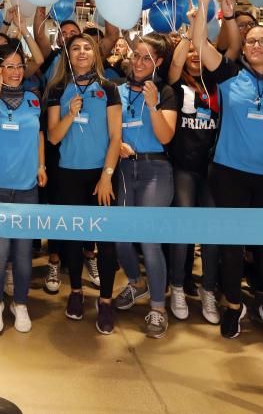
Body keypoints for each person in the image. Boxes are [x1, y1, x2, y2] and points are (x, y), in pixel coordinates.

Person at [190, 0, 263, 346]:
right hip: (229, 173)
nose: (254, 46)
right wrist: (206, 3)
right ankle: (234, 304)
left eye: (262, 41)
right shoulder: (228, 74)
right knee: (232, 245)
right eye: (249, 40)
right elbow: (199, 46)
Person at [44, 33, 122, 333]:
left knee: (106, 240)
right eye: (75, 48)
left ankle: (105, 301)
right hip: (68, 174)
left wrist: (107, 175)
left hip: (100, 176)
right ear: (68, 54)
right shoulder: (58, 88)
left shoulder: (108, 88)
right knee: (73, 240)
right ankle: (75, 292)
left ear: (95, 54)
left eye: (87, 47)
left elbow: (116, 137)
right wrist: (69, 114)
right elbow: (53, 137)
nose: (81, 52)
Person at [111, 34, 178, 339]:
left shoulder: (165, 92)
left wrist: (152, 106)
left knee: (150, 240)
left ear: (159, 62)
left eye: (146, 58)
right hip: (125, 167)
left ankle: (158, 307)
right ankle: (137, 282)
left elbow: (166, 137)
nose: (138, 63)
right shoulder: (117, 90)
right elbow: (110, 130)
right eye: (135, 56)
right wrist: (118, 144)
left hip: (155, 169)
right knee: (121, 237)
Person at [0, 42, 47, 334]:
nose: (16, 72)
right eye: (9, 66)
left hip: (27, 189)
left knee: (22, 254)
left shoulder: (33, 99)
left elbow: (39, 134)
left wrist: (41, 165)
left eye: (19, 66)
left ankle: (20, 303)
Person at [165, 34, 220, 325]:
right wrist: (188, 36)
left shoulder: (219, 83)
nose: (196, 55)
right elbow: (175, 63)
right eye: (191, 51)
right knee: (183, 226)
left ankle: (208, 288)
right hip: (182, 165)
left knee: (211, 230)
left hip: (212, 167)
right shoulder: (177, 83)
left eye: (202, 49)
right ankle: (176, 286)